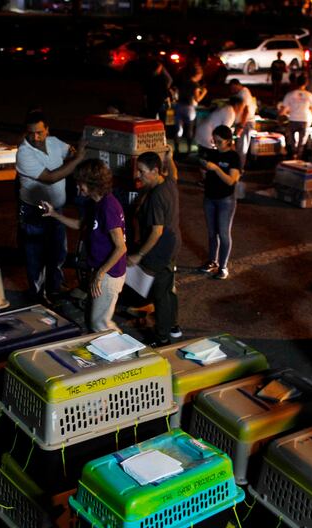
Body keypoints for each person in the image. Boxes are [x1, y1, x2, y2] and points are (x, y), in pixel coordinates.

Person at [42, 160, 127, 331]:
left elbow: (121, 247)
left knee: (100, 325)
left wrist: (100, 274)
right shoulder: (96, 204)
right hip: (100, 271)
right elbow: (81, 225)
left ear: (91, 183)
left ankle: (124, 355)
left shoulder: (108, 207)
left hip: (108, 275)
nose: (77, 187)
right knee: (94, 320)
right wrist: (53, 214)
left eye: (80, 183)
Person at [15, 110, 87, 304]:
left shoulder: (54, 142)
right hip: (34, 211)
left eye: (39, 132)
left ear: (47, 129)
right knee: (35, 255)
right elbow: (51, 177)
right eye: (31, 133)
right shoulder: (24, 153)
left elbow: (70, 152)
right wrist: (78, 159)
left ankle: (55, 288)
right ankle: (38, 295)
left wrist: (76, 152)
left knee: (58, 252)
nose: (35, 137)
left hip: (56, 209)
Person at [128, 149, 182, 346]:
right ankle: (174, 326)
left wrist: (139, 255)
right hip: (173, 245)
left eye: (142, 171)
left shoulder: (155, 197)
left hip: (160, 250)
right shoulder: (168, 182)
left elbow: (156, 232)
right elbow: (174, 173)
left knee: (161, 294)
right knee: (168, 289)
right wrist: (171, 158)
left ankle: (161, 337)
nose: (138, 175)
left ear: (155, 170)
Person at [197, 125, 241, 280]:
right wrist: (204, 170)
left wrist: (215, 169)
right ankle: (212, 261)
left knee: (223, 234)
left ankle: (223, 267)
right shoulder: (212, 153)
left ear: (228, 141)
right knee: (211, 233)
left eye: (219, 141)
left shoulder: (233, 157)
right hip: (209, 198)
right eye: (214, 141)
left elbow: (231, 181)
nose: (216, 144)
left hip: (225, 201)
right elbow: (206, 175)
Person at [280, 75, 312, 160]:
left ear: (296, 82)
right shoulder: (310, 95)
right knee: (301, 141)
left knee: (292, 140)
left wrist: (282, 115)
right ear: (306, 83)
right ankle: (299, 156)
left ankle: (293, 154)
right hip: (305, 120)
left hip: (293, 119)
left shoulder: (289, 95)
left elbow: (283, 110)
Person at [173, 65, 207, 156]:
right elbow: (197, 99)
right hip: (189, 108)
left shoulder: (183, 81)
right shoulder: (195, 85)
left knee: (178, 129)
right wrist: (204, 92)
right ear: (198, 75)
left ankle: (176, 150)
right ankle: (188, 151)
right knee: (189, 129)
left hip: (179, 106)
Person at [228, 78, 257, 170]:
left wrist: (241, 126)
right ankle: (237, 167)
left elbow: (246, 110)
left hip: (245, 123)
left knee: (241, 148)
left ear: (237, 85)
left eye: (233, 88)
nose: (232, 91)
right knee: (238, 147)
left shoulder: (244, 93)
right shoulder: (241, 93)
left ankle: (240, 169)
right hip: (241, 123)